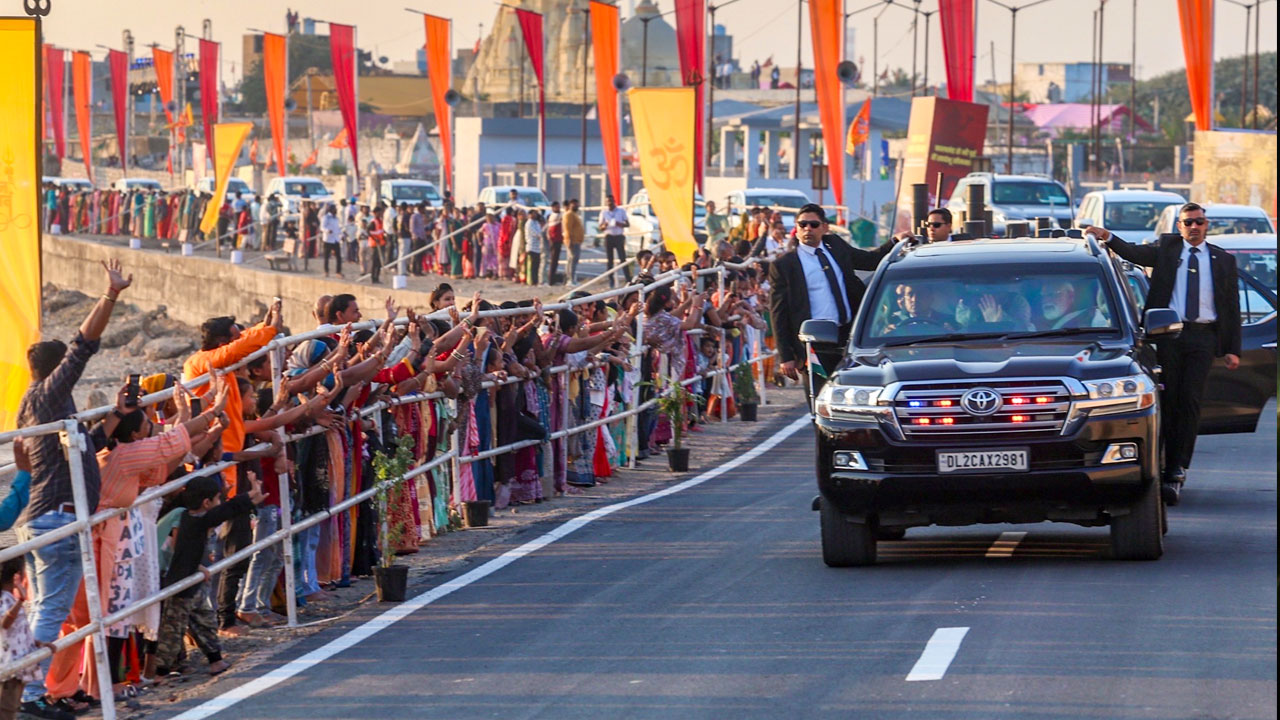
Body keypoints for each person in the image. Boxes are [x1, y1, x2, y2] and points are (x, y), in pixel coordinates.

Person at [15, 259, 131, 719]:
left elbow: (84, 450)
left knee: (46, 608)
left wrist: (116, 415)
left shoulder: (40, 408)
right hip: (60, 518)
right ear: (54, 370)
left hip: (50, 516)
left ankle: (24, 691)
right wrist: (111, 294)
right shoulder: (47, 394)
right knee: (50, 612)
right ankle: (26, 698)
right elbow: (83, 347)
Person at [1085, 202, 1241, 505]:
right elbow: (1134, 253)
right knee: (1169, 400)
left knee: (1191, 400)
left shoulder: (1222, 260)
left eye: (1199, 222)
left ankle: (1178, 467)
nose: (1194, 227)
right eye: (1188, 223)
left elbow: (1231, 307)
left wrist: (1232, 349)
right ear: (1179, 227)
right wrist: (1107, 235)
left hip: (1204, 337)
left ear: (1207, 225)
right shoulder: (1168, 249)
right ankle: (1165, 462)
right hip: (1169, 334)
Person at [769, 204, 896, 390]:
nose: (807, 229)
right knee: (819, 400)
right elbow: (778, 313)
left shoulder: (836, 245)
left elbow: (868, 261)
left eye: (813, 224)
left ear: (824, 227)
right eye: (802, 224)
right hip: (814, 342)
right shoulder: (785, 265)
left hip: (847, 335)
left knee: (853, 393)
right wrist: (786, 356)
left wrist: (893, 242)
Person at [597, 197, 630, 286]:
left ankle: (628, 279)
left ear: (614, 202)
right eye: (608, 202)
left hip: (619, 236)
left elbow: (627, 224)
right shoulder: (604, 212)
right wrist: (606, 225)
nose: (610, 203)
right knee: (610, 260)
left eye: (611, 201)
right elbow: (600, 227)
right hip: (609, 236)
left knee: (622, 258)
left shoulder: (621, 211)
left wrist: (618, 223)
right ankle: (611, 280)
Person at [563, 199, 585, 285]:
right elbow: (568, 229)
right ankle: (570, 279)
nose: (576, 206)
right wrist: (569, 240)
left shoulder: (574, 214)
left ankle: (571, 278)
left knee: (572, 260)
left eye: (577, 204)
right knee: (572, 260)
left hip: (577, 240)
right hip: (573, 241)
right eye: (574, 204)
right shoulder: (569, 215)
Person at [544, 200, 564, 285]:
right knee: (553, 261)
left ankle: (552, 279)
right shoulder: (555, 216)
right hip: (555, 240)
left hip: (557, 239)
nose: (558, 208)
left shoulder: (554, 215)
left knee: (555, 261)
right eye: (557, 207)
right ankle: (551, 280)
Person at [321, 205, 342, 278]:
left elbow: (338, 228)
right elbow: (322, 227)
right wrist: (327, 230)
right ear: (331, 210)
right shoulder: (326, 217)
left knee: (339, 257)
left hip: (336, 239)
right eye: (334, 209)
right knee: (326, 256)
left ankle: (338, 272)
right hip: (328, 239)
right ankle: (326, 271)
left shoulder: (336, 218)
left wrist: (341, 235)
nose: (336, 210)